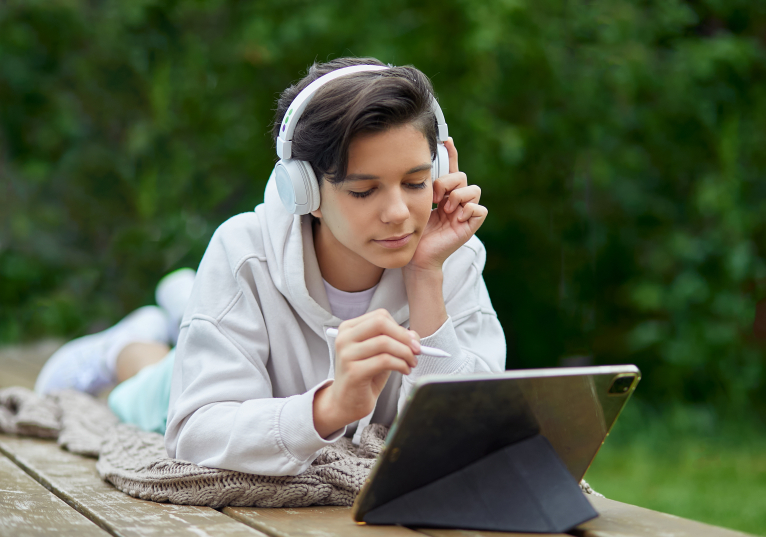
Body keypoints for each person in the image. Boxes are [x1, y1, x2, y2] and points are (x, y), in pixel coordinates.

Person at [36, 57, 506, 476]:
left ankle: (184, 301)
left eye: (416, 182)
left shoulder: (449, 254)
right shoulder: (244, 251)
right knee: (146, 390)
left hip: (258, 352)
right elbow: (195, 429)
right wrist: (329, 407)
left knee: (194, 329)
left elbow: (474, 433)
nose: (399, 212)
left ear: (441, 168)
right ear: (302, 192)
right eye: (364, 191)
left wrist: (426, 275)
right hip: (182, 381)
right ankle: (123, 346)